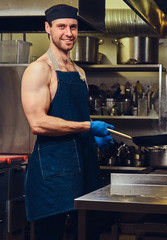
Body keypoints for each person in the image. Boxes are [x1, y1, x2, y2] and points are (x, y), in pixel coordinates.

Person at [21, 4, 114, 240]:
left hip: (84, 165)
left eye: (73, 27)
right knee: (51, 235)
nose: (68, 33)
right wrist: (87, 127)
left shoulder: (80, 72)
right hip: (52, 171)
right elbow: (38, 123)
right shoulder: (39, 70)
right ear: (48, 29)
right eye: (61, 26)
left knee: (89, 232)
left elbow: (78, 114)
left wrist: (92, 132)